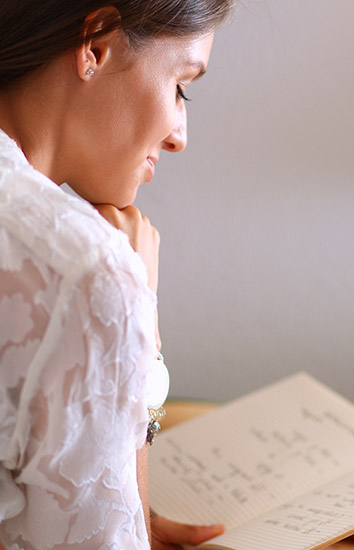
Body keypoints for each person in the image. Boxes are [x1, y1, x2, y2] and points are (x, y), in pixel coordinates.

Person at [0, 1, 234, 548]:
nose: (179, 136)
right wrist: (139, 326)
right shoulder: (86, 271)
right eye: (182, 86)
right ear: (96, 46)